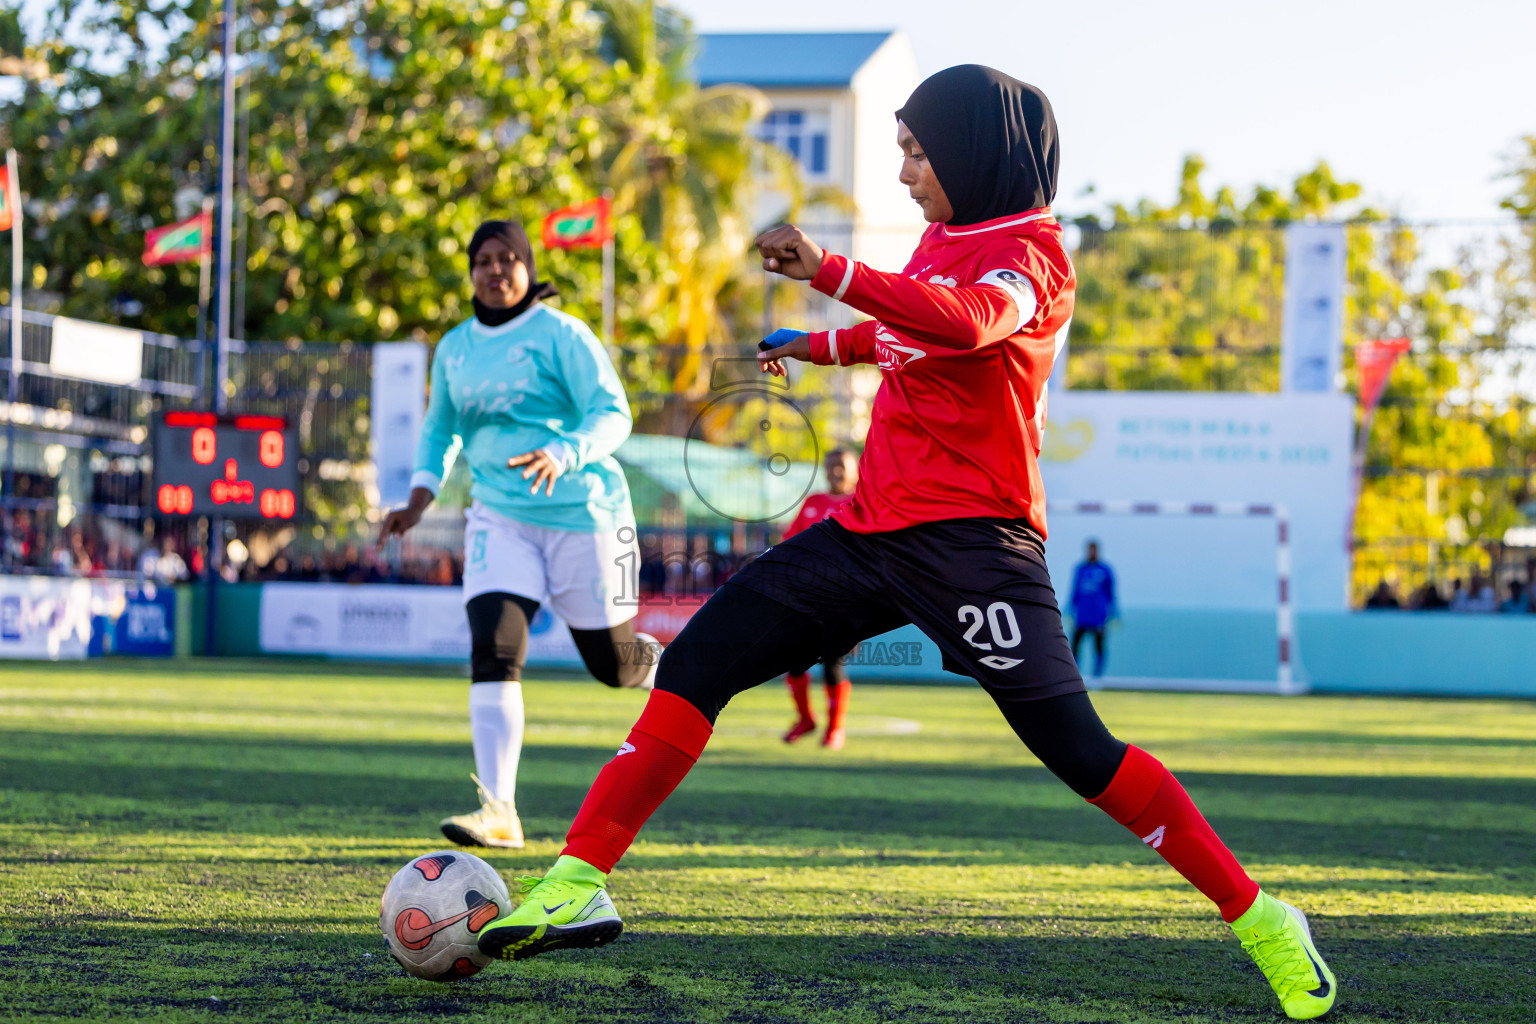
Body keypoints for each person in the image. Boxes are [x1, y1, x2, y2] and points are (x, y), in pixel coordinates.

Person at [476, 67, 1337, 1021]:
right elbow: (901, 336)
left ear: (975, 151)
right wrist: (814, 344)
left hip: (975, 546)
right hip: (867, 531)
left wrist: (831, 273)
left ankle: (1264, 918)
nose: (905, 173)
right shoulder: (940, 240)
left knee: (1079, 750)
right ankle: (579, 881)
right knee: (697, 662)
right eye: (901, 152)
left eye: (919, 153)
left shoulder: (1036, 254)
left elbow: (967, 325)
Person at [377, 218, 658, 851]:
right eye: (483, 260)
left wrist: (565, 451)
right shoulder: (455, 348)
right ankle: (499, 810)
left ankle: (669, 662)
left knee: (615, 668)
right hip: (499, 518)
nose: (495, 270)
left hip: (588, 514)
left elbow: (614, 413)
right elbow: (440, 429)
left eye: (507, 258)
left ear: (528, 268)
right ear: (471, 272)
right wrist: (418, 498)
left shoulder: (562, 334)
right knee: (494, 647)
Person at [781, 448, 858, 748]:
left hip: (845, 599)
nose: (835, 471)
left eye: (841, 465)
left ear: (854, 470)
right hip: (808, 598)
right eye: (830, 465)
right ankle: (806, 719)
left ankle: (835, 730)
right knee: (794, 661)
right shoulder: (813, 502)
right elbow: (791, 541)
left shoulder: (862, 502)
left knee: (832, 662)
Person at [1067, 540, 1116, 677]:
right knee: (1075, 646)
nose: (1091, 552)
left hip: (1099, 617)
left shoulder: (1105, 570)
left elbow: (1111, 594)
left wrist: (1113, 614)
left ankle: (1097, 676)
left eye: (1094, 550)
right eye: (1089, 550)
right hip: (1081, 617)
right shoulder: (1080, 569)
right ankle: (1074, 675)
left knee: (1098, 647)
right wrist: (1070, 611)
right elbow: (1074, 592)